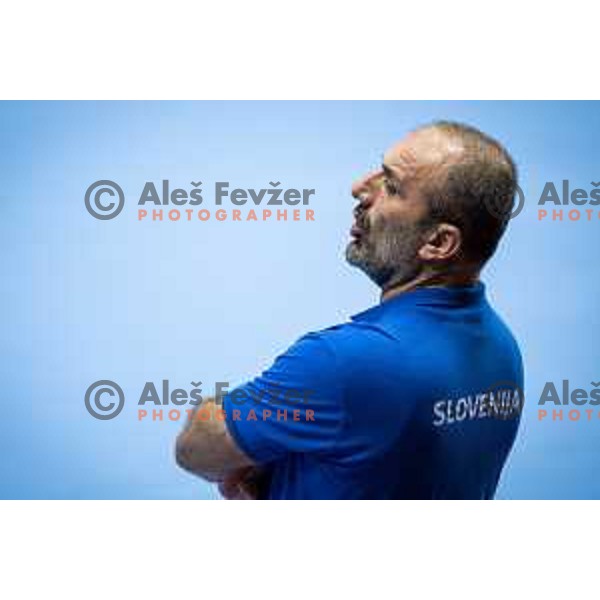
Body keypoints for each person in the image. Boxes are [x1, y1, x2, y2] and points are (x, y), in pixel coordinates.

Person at [175, 120, 524, 499]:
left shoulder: (345, 362)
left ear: (438, 242)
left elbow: (197, 449)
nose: (359, 188)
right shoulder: (502, 349)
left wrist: (249, 451)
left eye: (391, 186)